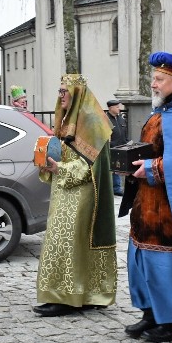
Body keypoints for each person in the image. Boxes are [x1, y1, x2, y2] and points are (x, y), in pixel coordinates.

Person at [118, 51, 172, 343]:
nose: (153, 84)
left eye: (158, 79)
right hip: (148, 205)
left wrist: (149, 167)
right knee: (144, 262)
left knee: (169, 265)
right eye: (153, 78)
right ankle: (151, 315)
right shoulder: (163, 111)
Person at [33, 74, 117, 317]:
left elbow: (91, 165)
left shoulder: (93, 121)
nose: (60, 95)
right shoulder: (66, 118)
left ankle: (67, 298)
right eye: (58, 91)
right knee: (62, 242)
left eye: (64, 91)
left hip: (84, 192)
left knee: (69, 243)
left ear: (77, 93)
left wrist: (60, 169)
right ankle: (83, 294)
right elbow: (62, 153)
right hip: (63, 189)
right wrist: (48, 163)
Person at [105, 99, 128, 196]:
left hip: (122, 147)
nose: (119, 109)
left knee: (119, 168)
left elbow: (124, 132)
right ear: (111, 108)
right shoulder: (106, 119)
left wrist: (126, 142)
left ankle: (117, 187)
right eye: (117, 107)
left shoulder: (121, 119)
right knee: (113, 168)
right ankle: (115, 188)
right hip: (111, 148)